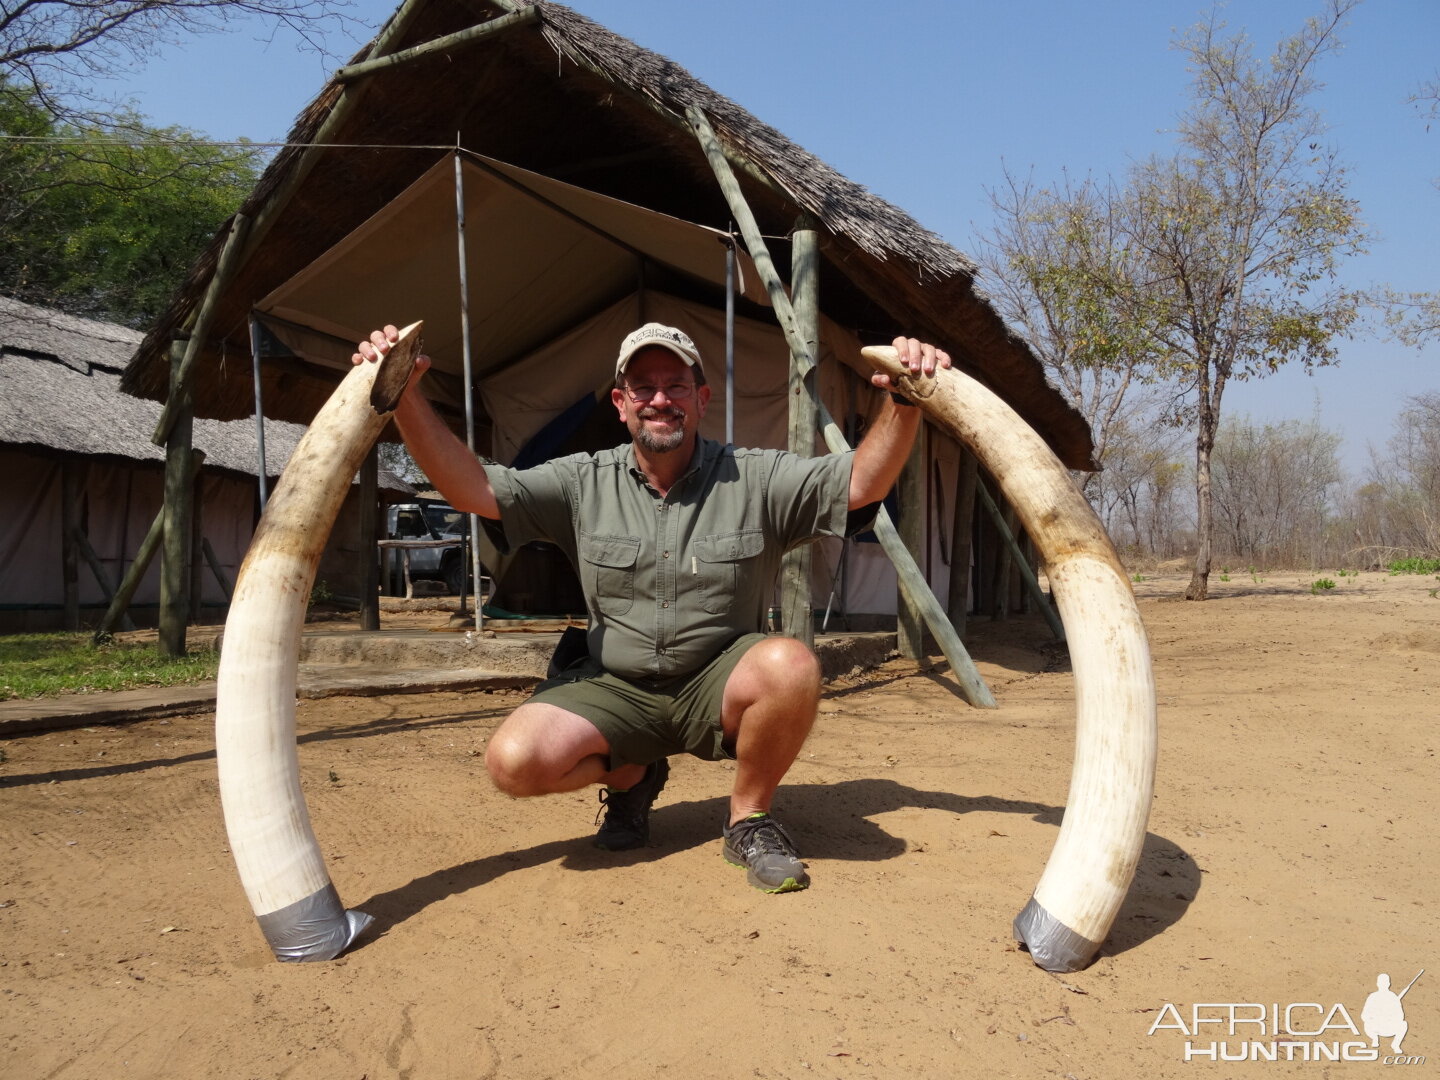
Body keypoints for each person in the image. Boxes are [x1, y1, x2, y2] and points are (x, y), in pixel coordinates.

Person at [353, 321, 948, 893]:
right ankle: (631, 772)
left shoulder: (757, 476)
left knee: (789, 664)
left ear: (702, 398)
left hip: (717, 683)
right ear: (620, 402)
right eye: (644, 387)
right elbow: (472, 489)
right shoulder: (580, 481)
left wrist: (905, 399)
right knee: (514, 762)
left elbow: (858, 484)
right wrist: (403, 397)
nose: (660, 400)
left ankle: (748, 819)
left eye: (676, 386)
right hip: (615, 686)